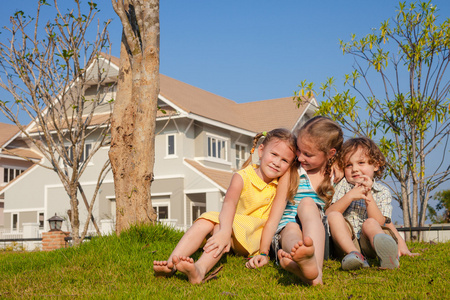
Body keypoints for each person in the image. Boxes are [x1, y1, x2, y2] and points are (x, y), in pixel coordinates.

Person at [153, 128, 299, 284]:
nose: (277, 163)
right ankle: (171, 264)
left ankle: (200, 270)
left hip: (254, 237)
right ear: (261, 151)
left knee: (219, 227)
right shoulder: (242, 176)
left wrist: (263, 253)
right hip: (233, 229)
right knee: (206, 221)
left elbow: (272, 221)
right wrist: (225, 230)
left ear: (290, 165)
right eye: (274, 154)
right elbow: (229, 203)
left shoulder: (280, 185)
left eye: (284, 160)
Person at [246, 116, 343, 286]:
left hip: (319, 240)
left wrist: (338, 165)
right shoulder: (292, 173)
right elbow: (274, 218)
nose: (299, 157)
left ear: (330, 154)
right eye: (298, 150)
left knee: (307, 204)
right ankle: (302, 261)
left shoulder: (334, 174)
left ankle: (314, 270)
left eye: (308, 154)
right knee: (290, 227)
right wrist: (263, 252)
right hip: (285, 235)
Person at [326, 137, 418, 271]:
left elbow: (381, 221)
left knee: (370, 223)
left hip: (369, 242)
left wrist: (368, 196)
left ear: (376, 165)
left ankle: (386, 255)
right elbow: (328, 214)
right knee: (334, 215)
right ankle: (355, 254)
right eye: (348, 165)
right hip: (346, 243)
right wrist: (350, 196)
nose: (354, 169)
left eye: (361, 163)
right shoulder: (342, 185)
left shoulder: (382, 191)